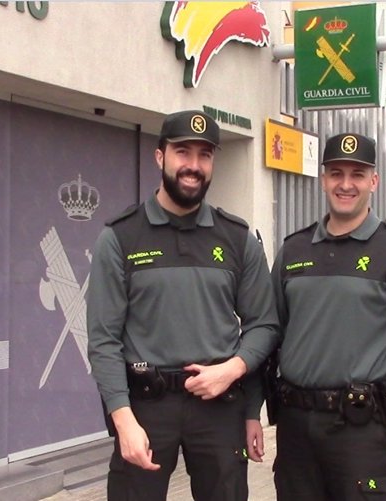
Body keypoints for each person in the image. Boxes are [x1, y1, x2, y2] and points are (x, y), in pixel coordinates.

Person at [86, 110, 279, 501]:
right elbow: (103, 340)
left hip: (219, 406)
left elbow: (265, 324)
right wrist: (122, 420)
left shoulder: (238, 238)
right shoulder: (121, 238)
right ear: (160, 157)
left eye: (204, 155)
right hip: (146, 408)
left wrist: (233, 374)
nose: (193, 165)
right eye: (182, 152)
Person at [267, 132, 386, 500]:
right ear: (323, 180)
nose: (345, 184)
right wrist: (251, 413)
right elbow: (269, 334)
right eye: (336, 173)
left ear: (373, 181)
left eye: (357, 174)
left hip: (362, 430)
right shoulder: (294, 249)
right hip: (297, 430)